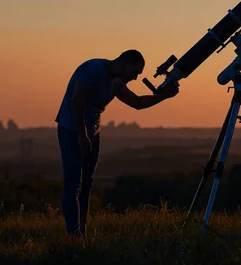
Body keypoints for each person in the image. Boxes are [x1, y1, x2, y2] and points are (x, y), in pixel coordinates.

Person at [55, 49, 179, 238]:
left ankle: (82, 231)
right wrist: (81, 135)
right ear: (123, 63)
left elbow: (137, 102)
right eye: (135, 72)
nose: (136, 78)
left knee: (87, 184)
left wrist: (164, 96)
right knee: (73, 184)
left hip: (92, 131)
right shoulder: (93, 69)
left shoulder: (117, 81)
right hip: (72, 130)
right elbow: (76, 103)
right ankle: (73, 234)